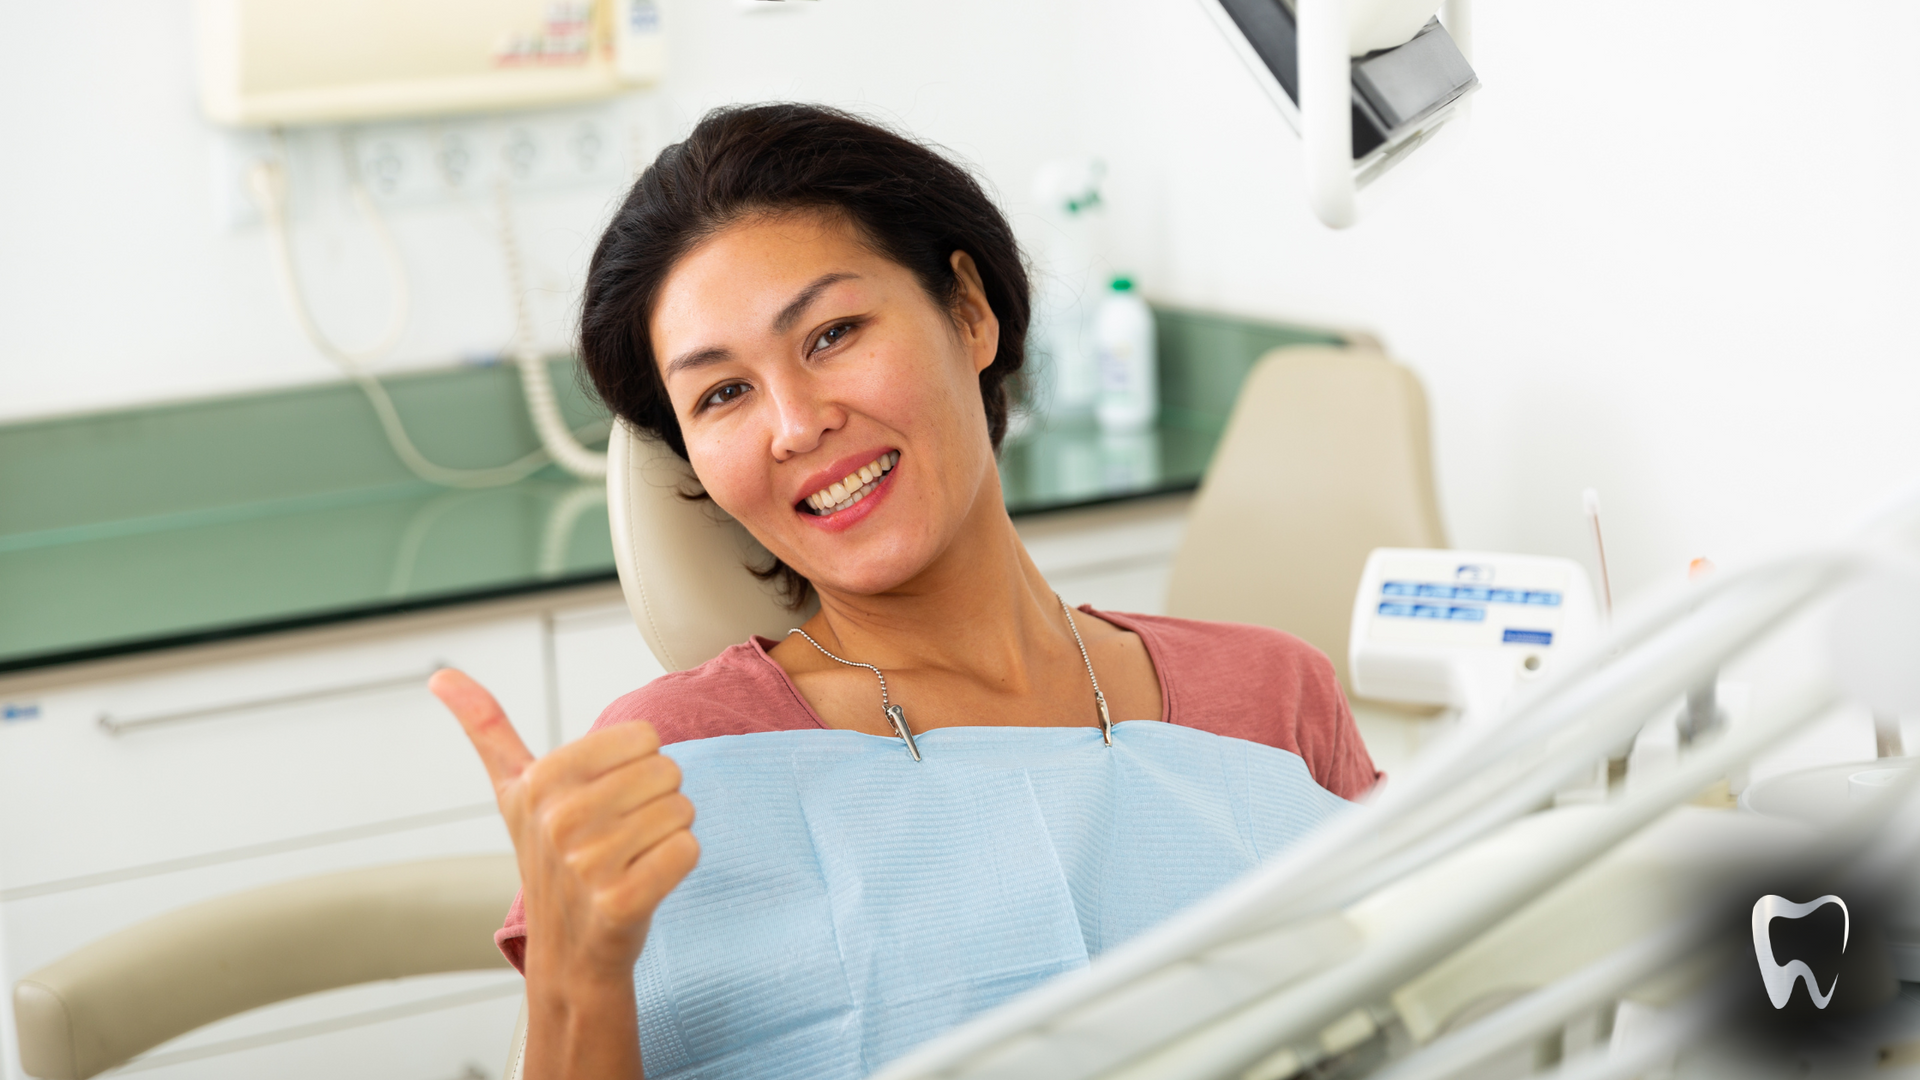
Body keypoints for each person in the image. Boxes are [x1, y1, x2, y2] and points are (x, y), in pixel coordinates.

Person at [430, 102, 1379, 1080]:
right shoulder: (671, 770)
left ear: (969, 311)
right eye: (723, 394)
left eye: (833, 333)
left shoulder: (1273, 700)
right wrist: (576, 979)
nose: (794, 424)